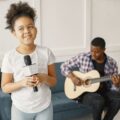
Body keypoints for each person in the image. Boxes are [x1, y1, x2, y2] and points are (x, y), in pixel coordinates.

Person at [1, 2, 56, 120]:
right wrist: (22, 83)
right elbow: (5, 87)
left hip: (45, 106)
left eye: (30, 26)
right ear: (14, 33)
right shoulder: (9, 57)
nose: (26, 31)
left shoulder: (46, 52)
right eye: (21, 28)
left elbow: (53, 81)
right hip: (20, 109)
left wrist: (43, 77)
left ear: (35, 29)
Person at [61, 37, 120, 120]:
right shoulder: (82, 57)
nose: (93, 54)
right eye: (92, 50)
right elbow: (64, 66)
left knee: (118, 98)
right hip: (85, 93)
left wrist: (116, 84)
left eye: (97, 52)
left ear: (104, 50)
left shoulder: (112, 63)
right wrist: (73, 77)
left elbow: (114, 88)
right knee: (99, 101)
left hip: (104, 91)